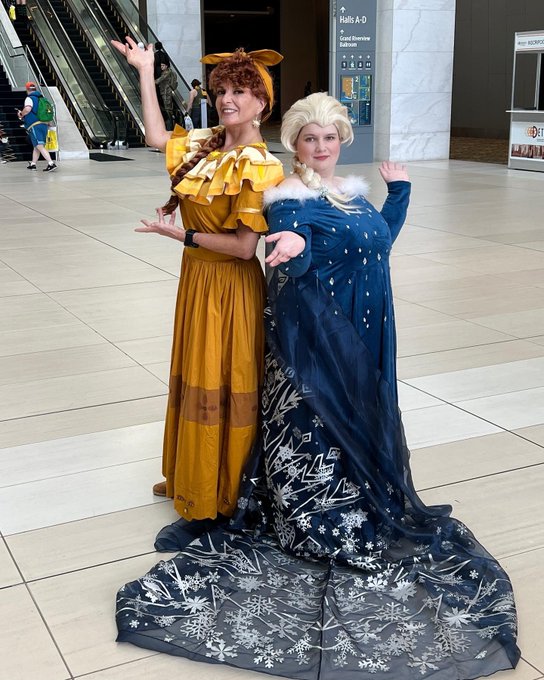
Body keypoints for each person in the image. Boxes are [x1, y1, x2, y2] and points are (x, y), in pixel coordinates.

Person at [115, 92, 520, 679]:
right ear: (296, 144)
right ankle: (314, 513)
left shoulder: (350, 193)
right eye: (311, 138)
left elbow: (379, 241)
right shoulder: (287, 197)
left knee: (362, 417)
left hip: (365, 325)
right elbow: (289, 254)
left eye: (330, 137)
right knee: (318, 426)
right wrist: (294, 247)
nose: (322, 146)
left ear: (341, 142)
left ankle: (358, 497)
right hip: (317, 335)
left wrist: (399, 194)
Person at [111, 37, 284, 520]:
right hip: (198, 280)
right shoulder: (208, 144)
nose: (227, 99)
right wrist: (145, 70)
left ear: (262, 103)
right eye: (221, 90)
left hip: (230, 286)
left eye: (240, 92)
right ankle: (191, 473)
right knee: (196, 372)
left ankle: (223, 490)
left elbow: (245, 248)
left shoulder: (259, 164)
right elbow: (155, 136)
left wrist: (182, 235)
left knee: (223, 376)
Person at [17, 82, 57, 172]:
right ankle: (33, 164)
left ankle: (51, 163)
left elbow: (27, 109)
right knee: (37, 146)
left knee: (39, 145)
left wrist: (21, 114)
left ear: (27, 89)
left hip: (35, 125)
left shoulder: (29, 98)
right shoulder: (42, 98)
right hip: (44, 124)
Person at [154, 62, 176, 130]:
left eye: (163, 65)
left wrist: (152, 81)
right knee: (167, 109)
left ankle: (170, 126)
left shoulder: (167, 73)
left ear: (166, 66)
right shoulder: (166, 72)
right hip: (165, 92)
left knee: (167, 109)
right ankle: (170, 126)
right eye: (161, 65)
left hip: (166, 93)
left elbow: (159, 80)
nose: (161, 67)